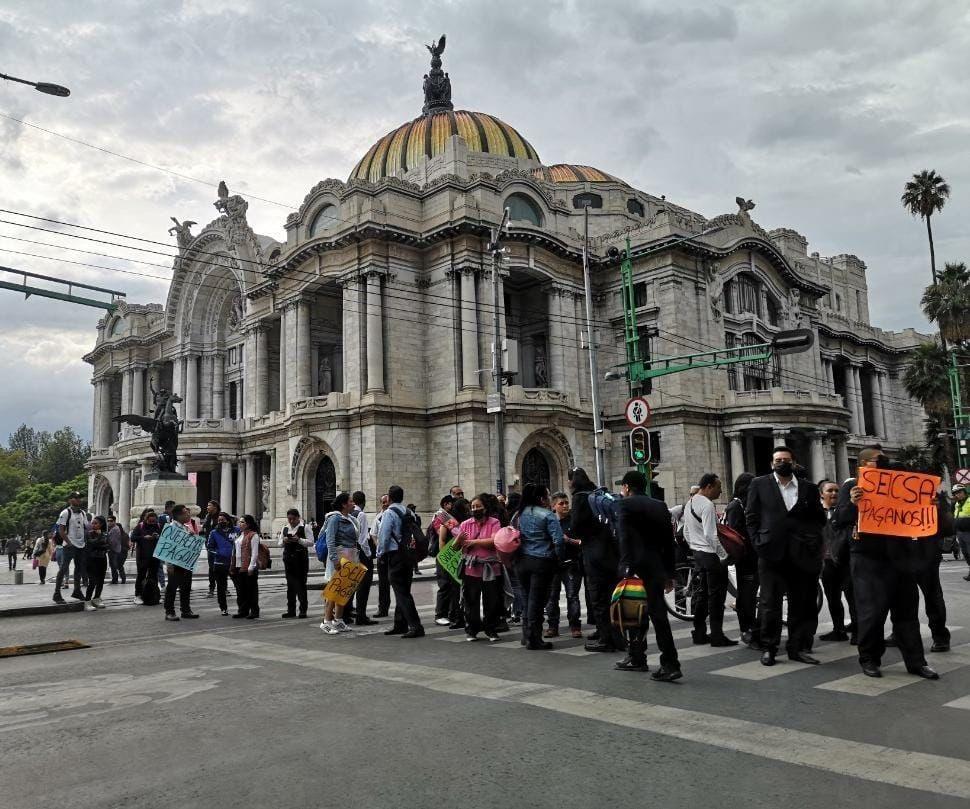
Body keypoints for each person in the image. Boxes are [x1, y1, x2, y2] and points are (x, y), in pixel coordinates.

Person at [836, 447, 938, 679]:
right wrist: (853, 503)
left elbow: (917, 515)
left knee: (907, 614)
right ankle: (870, 659)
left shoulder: (899, 484)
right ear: (863, 464)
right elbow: (839, 519)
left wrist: (928, 503)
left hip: (901, 559)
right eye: (877, 460)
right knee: (872, 614)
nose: (883, 463)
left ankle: (916, 662)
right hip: (869, 560)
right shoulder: (852, 486)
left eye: (885, 459)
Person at [745, 446, 826, 667]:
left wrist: (811, 539)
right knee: (770, 603)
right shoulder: (759, 484)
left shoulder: (808, 489)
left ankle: (796, 648)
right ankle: (769, 648)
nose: (782, 463)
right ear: (772, 464)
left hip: (801, 555)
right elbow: (751, 517)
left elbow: (819, 519)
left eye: (786, 459)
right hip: (771, 553)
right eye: (778, 460)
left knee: (800, 603)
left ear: (794, 463)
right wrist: (758, 542)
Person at [612, 471, 682, 680]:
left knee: (632, 614)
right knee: (659, 616)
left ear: (626, 487)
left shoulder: (624, 505)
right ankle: (670, 662)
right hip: (656, 569)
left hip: (635, 570)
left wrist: (625, 569)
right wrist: (670, 573)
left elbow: (624, 539)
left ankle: (637, 657)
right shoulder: (659, 505)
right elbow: (669, 543)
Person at [568, 468, 623, 652]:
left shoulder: (579, 497)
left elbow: (575, 526)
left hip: (593, 552)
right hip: (611, 551)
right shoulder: (598, 493)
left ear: (572, 482)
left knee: (597, 596)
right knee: (611, 595)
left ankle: (606, 639)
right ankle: (616, 635)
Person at [683, 472, 737, 646]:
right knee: (716, 597)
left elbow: (685, 532)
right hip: (710, 555)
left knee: (703, 595)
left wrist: (695, 546)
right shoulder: (706, 505)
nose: (720, 492)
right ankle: (717, 635)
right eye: (718, 488)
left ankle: (699, 632)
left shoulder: (690, 502)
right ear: (708, 487)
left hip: (699, 554)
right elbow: (710, 535)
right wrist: (724, 555)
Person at [514, 483, 564, 650]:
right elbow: (558, 540)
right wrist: (560, 558)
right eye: (547, 495)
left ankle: (526, 635)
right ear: (542, 498)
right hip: (541, 561)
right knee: (537, 600)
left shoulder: (519, 514)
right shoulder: (547, 515)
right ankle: (534, 639)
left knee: (526, 598)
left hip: (522, 561)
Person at [454, 495, 503, 642]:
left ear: (485, 508)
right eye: (473, 507)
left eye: (478, 506)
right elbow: (456, 547)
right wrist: (458, 540)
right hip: (471, 569)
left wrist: (473, 542)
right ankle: (472, 630)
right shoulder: (465, 524)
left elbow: (494, 541)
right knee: (470, 600)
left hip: (491, 568)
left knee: (491, 601)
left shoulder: (494, 522)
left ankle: (491, 629)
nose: (475, 509)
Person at [378, 486, 424, 638]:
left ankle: (415, 626)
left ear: (389, 498)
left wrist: (380, 554)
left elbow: (384, 536)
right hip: (409, 554)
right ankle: (400, 624)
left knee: (401, 592)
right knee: (404, 589)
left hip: (395, 555)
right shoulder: (408, 511)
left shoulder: (389, 513)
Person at [818, 479, 855, 643]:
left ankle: (858, 628)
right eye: (829, 491)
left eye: (836, 491)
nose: (834, 494)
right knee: (833, 598)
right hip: (827, 563)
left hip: (846, 561)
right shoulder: (817, 513)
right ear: (821, 494)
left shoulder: (845, 511)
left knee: (852, 597)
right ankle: (838, 629)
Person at [724, 473, 758, 648]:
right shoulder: (736, 506)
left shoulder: (744, 504)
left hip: (752, 556)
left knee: (750, 595)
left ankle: (751, 627)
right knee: (746, 595)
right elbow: (736, 534)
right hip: (746, 558)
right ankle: (747, 629)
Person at [544, 491, 583, 639]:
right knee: (552, 597)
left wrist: (568, 540)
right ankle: (553, 626)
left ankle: (575, 625)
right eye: (561, 503)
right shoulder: (549, 521)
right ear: (554, 506)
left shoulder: (574, 521)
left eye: (567, 503)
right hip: (553, 564)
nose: (565, 506)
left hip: (571, 564)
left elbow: (583, 542)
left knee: (572, 596)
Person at [320, 493, 360, 634]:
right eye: (350, 501)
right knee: (334, 589)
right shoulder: (334, 518)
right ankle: (327, 621)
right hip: (339, 556)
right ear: (343, 504)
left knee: (344, 590)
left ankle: (338, 620)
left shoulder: (350, 518)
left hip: (350, 556)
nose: (353, 503)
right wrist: (334, 559)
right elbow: (330, 540)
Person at [163, 504, 200, 622]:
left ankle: (186, 610)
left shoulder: (185, 527)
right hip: (175, 563)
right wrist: (169, 565)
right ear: (179, 515)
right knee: (172, 587)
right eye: (185, 512)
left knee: (186, 587)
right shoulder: (171, 528)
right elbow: (168, 548)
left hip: (186, 562)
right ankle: (169, 611)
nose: (188, 514)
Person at [53, 491, 90, 604]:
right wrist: (68, 542)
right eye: (76, 498)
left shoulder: (83, 513)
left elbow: (86, 528)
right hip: (70, 545)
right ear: (70, 500)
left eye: (79, 498)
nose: (78, 500)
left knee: (79, 568)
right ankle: (57, 593)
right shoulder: (66, 512)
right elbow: (61, 530)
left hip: (81, 545)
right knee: (64, 568)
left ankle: (77, 591)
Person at [350, 491, 379, 626]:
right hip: (361, 554)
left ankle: (346, 612)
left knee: (351, 583)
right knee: (363, 585)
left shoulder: (348, 513)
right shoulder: (360, 514)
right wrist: (368, 555)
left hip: (350, 553)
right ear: (364, 502)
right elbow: (362, 539)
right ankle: (361, 615)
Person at [431, 495, 459, 626]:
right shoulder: (441, 516)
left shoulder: (452, 517)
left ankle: (451, 613)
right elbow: (441, 536)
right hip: (444, 555)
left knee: (453, 586)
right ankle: (440, 614)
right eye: (451, 503)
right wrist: (444, 557)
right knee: (444, 585)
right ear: (445, 504)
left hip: (452, 554)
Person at [278, 508, 311, 619]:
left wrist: (299, 540)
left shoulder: (305, 527)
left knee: (301, 585)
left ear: (298, 518)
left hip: (301, 559)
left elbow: (311, 542)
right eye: (289, 519)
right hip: (288, 560)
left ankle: (303, 610)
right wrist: (284, 541)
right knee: (290, 586)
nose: (291, 521)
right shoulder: (285, 528)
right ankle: (291, 610)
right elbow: (279, 543)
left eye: (293, 519)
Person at [231, 514, 261, 619]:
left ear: (248, 524)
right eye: (240, 522)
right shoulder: (240, 535)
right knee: (241, 590)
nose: (240, 523)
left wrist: (251, 566)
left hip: (248, 566)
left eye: (242, 522)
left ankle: (254, 611)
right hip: (239, 566)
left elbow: (255, 553)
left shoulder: (253, 535)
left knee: (251, 590)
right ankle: (243, 610)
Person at [206, 512, 235, 615]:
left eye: (223, 520)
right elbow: (209, 547)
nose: (221, 522)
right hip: (220, 563)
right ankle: (223, 608)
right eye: (219, 520)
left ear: (228, 520)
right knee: (221, 588)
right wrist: (219, 553)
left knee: (240, 586)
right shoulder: (214, 533)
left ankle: (243, 606)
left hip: (234, 563)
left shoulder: (236, 531)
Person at [131, 510, 160, 605]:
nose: (152, 523)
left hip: (155, 556)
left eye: (154, 521)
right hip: (143, 556)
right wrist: (144, 537)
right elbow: (133, 537)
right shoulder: (140, 526)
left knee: (154, 576)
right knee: (141, 575)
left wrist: (157, 536)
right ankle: (138, 595)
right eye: (150, 521)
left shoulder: (158, 526)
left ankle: (154, 594)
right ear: (146, 520)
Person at [84, 516, 110, 609]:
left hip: (102, 558)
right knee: (92, 581)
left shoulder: (106, 534)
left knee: (100, 580)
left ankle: (97, 598)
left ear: (101, 524)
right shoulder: (88, 534)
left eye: (96, 523)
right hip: (91, 559)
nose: (93, 525)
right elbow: (91, 543)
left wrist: (98, 544)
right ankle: (87, 601)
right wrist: (99, 539)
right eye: (93, 523)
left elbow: (107, 545)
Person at [371, 494, 391, 617]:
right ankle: (383, 608)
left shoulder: (395, 515)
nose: (386, 504)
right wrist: (379, 546)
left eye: (387, 501)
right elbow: (373, 534)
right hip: (383, 555)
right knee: (383, 583)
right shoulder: (378, 518)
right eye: (383, 502)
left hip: (394, 554)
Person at [201, 500, 220, 598]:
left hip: (220, 547)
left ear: (215, 507)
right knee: (211, 568)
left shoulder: (221, 517)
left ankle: (223, 588)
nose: (207, 507)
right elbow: (203, 530)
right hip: (210, 547)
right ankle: (211, 589)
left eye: (209, 505)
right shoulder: (207, 517)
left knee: (221, 568)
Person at [106, 515, 129, 585]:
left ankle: (115, 580)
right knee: (118, 566)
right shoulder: (112, 529)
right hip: (118, 550)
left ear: (114, 521)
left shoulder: (115, 529)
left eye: (111, 521)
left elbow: (113, 541)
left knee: (115, 566)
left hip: (115, 550)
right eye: (108, 521)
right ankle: (120, 579)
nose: (109, 522)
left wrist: (109, 548)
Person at [954, 485, 970, 581]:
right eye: (956, 493)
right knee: (965, 553)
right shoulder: (957, 504)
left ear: (964, 492)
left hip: (969, 531)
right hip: (960, 532)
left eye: (959, 492)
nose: (958, 494)